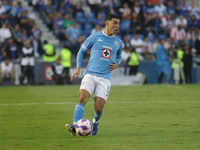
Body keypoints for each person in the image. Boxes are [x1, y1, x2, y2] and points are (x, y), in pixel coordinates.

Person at [65, 13, 122, 136]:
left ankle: (95, 122)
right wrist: (78, 68)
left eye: (118, 23)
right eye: (115, 23)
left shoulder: (118, 42)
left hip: (105, 78)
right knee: (83, 97)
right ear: (107, 23)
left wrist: (116, 63)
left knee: (98, 107)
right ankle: (75, 126)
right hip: (90, 74)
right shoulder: (95, 37)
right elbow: (81, 52)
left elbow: (119, 57)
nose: (117, 26)